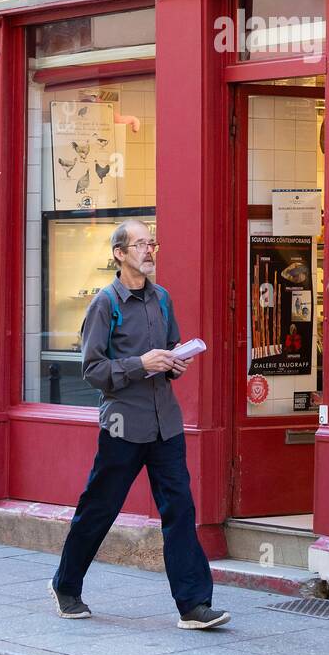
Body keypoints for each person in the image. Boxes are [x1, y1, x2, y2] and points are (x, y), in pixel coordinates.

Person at [49, 219, 229, 630]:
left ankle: (194, 606)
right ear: (119, 253)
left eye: (153, 244)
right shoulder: (104, 304)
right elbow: (92, 369)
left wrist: (174, 362)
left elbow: (169, 351)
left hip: (166, 422)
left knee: (180, 510)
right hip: (122, 425)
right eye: (141, 244)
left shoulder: (162, 299)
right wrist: (139, 364)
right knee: (100, 508)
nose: (150, 251)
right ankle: (66, 584)